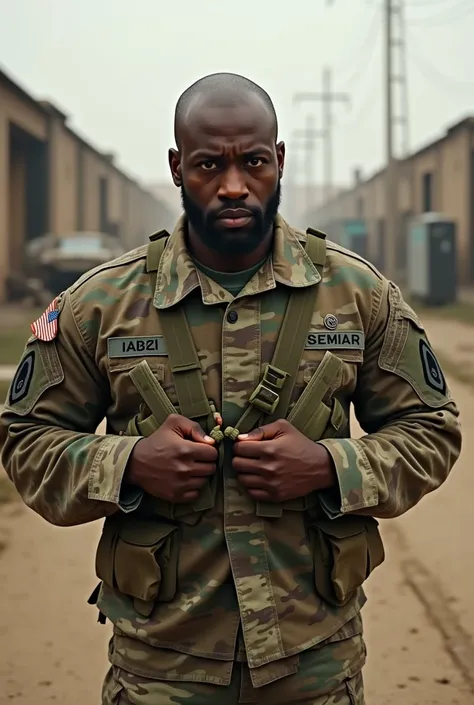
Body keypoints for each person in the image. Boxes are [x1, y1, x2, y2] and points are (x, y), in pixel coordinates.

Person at [0, 73, 461, 705]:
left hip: (315, 665)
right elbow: (26, 442)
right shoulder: (99, 306)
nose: (234, 185)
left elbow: (431, 430)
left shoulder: (358, 295)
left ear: (279, 160)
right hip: (161, 667)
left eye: (253, 162)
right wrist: (129, 463)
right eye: (208, 164)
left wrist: (330, 465)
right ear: (175, 167)